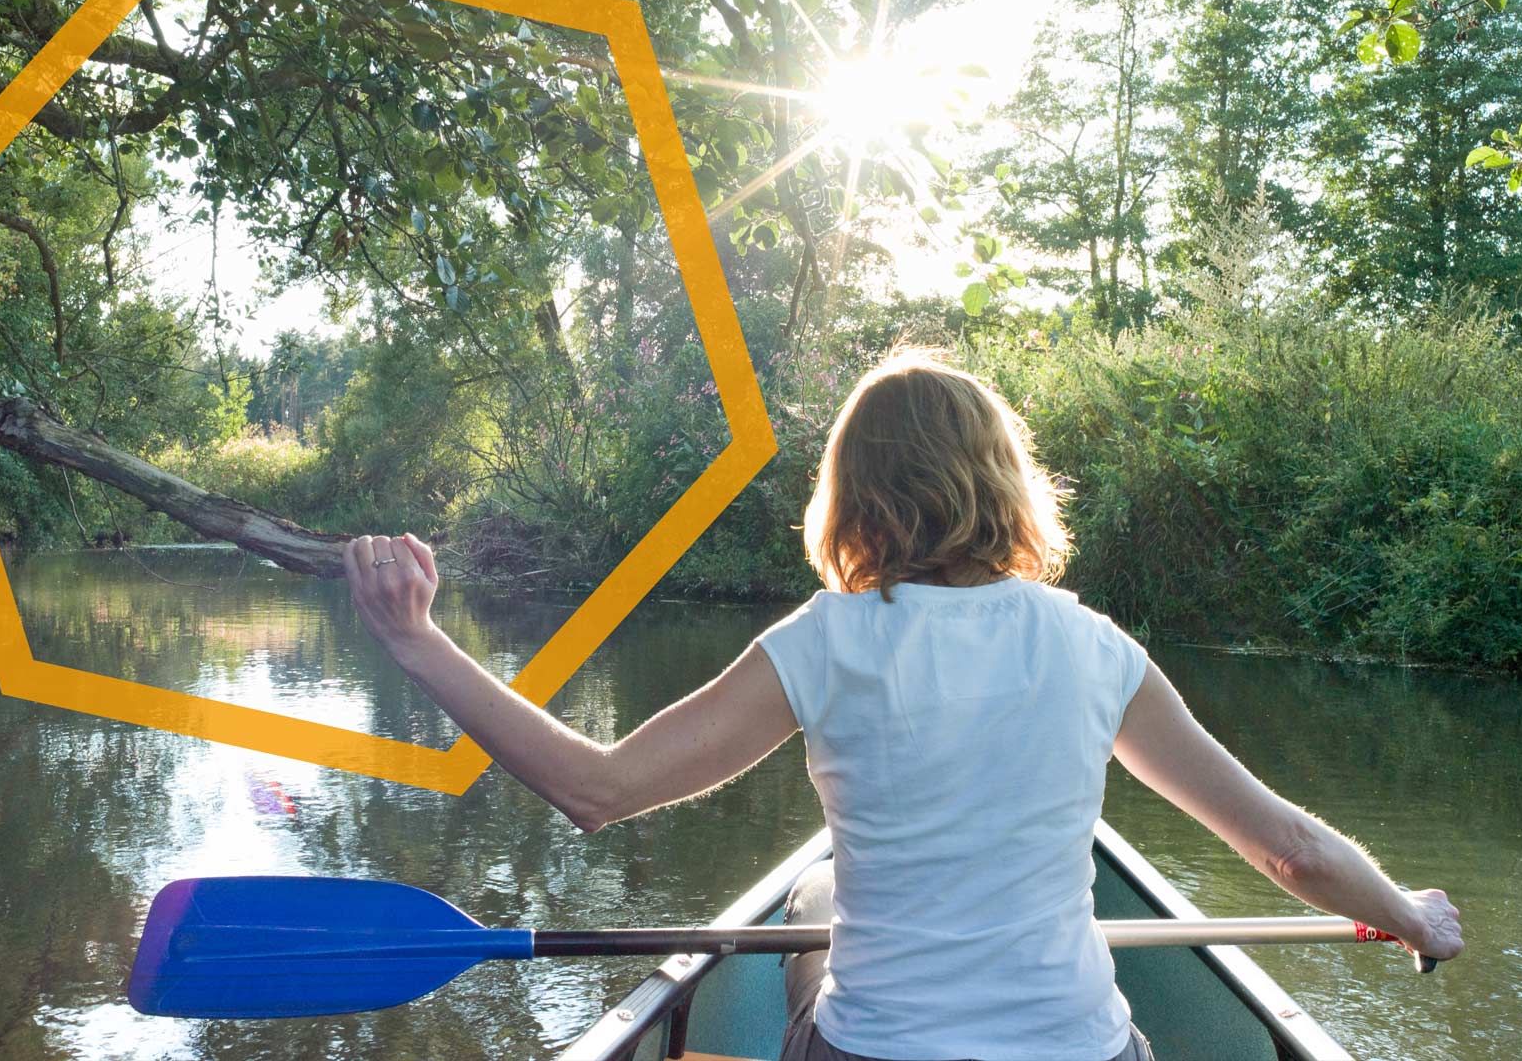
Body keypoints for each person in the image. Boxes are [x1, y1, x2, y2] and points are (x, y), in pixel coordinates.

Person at [342, 345, 1463, 1061]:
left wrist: (418, 639)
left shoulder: (825, 642)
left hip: (877, 1053)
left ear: (853, 492)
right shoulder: (1092, 648)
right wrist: (1409, 911)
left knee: (816, 904)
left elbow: (596, 789)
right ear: (1006, 483)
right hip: (1075, 1051)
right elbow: (1291, 853)